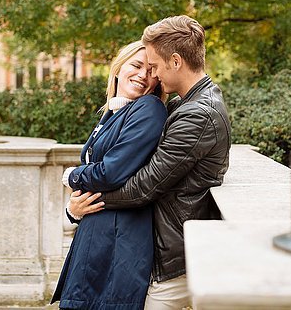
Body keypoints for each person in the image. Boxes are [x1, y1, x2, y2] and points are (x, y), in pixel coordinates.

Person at [69, 15, 231, 310]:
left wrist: (82, 198)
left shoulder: (197, 114)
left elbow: (143, 188)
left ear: (176, 61)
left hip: (174, 256)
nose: (152, 74)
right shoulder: (186, 104)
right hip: (168, 245)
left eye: (154, 65)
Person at [51, 41, 168, 310]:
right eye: (136, 66)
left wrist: (72, 176)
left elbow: (112, 172)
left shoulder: (149, 108)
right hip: (97, 232)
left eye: (151, 70)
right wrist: (73, 210)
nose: (143, 75)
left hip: (119, 237)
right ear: (118, 68)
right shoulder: (114, 112)